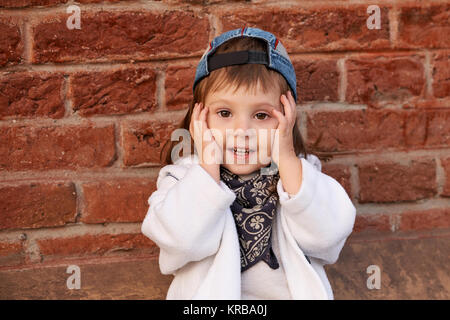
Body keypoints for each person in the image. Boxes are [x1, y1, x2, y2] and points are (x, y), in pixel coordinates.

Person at [141, 27, 356, 300]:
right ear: (199, 117)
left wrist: (287, 159)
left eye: (262, 115)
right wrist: (207, 169)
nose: (242, 130)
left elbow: (328, 237)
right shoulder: (182, 178)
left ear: (287, 119)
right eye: (224, 112)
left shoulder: (299, 176)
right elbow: (181, 242)